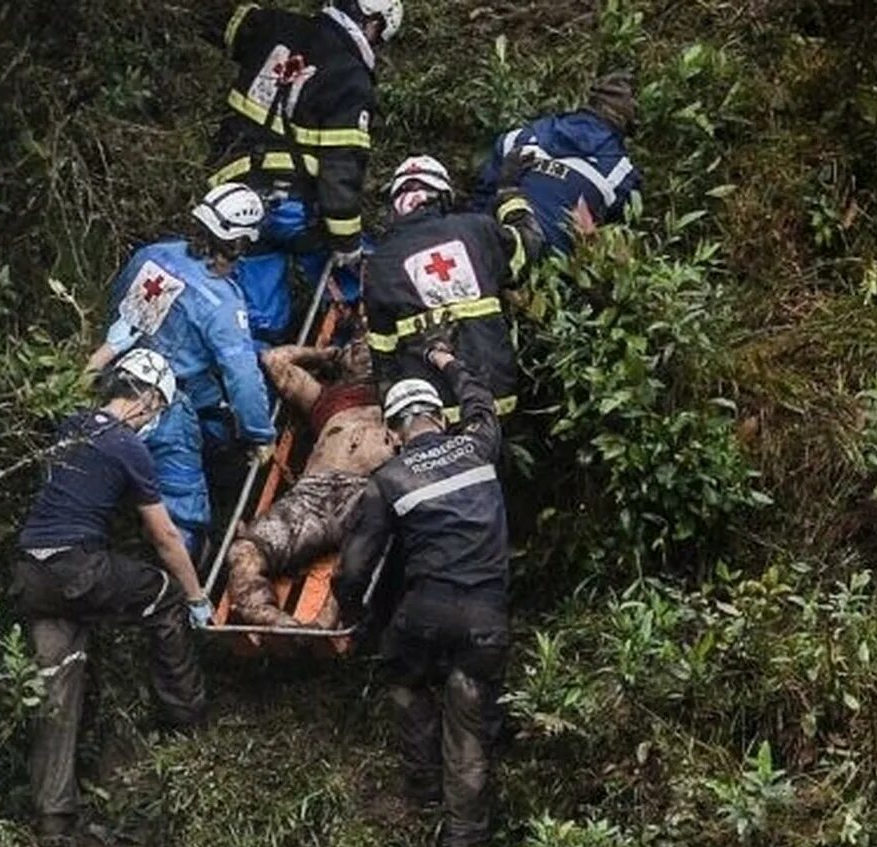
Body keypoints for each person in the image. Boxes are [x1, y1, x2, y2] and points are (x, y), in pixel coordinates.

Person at [13, 349, 213, 839]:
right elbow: (163, 536)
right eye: (158, 407)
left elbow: (80, 380)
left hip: (29, 575)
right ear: (145, 398)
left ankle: (54, 818)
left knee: (59, 680)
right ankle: (190, 720)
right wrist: (195, 595)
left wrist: (106, 347)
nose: (154, 417)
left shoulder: (70, 423)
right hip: (77, 567)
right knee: (162, 595)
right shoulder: (128, 445)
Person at [336, 343, 508, 847]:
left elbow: (353, 569)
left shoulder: (387, 480)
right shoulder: (478, 446)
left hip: (423, 616)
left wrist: (359, 620)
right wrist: (446, 359)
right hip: (486, 620)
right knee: (470, 724)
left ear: (391, 433)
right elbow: (482, 403)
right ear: (440, 417)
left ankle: (423, 791)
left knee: (405, 683)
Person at [91, 185, 279, 559]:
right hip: (166, 407)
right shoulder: (221, 303)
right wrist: (259, 434)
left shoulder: (153, 256)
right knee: (184, 514)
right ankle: (180, 589)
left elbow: (120, 313)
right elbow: (242, 379)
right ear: (241, 243)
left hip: (113, 384)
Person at [205, 0, 405, 339]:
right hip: (290, 209)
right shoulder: (350, 76)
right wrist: (346, 242)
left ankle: (260, 365)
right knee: (365, 278)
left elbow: (217, 21)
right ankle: (354, 360)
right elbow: (341, 166)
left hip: (231, 195)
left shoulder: (273, 25)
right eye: (379, 37)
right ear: (372, 23)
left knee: (260, 317)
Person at [220, 341, 391, 627]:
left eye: (371, 344)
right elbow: (274, 359)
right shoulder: (327, 398)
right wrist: (324, 354)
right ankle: (271, 618)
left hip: (366, 493)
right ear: (341, 362)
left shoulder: (402, 396)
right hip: (310, 496)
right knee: (244, 551)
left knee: (358, 557)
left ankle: (325, 623)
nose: (363, 348)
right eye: (354, 345)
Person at [364, 154, 543, 415]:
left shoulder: (380, 262)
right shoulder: (477, 229)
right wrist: (508, 192)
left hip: (433, 409)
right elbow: (528, 247)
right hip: (495, 394)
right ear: (445, 197)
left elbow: (383, 353)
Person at [475, 70, 642, 258]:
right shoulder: (620, 172)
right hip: (547, 269)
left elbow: (480, 197)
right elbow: (616, 236)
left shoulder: (519, 137)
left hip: (481, 251)